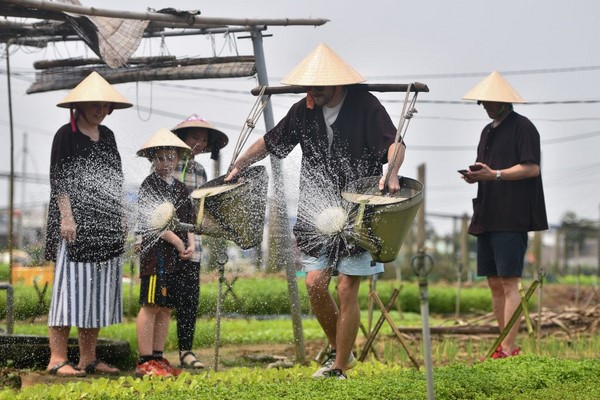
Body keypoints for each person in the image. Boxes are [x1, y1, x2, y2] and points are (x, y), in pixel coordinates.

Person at [225, 43, 405, 379]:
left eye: (319, 87)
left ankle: (338, 368)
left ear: (338, 84)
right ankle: (342, 351)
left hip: (358, 209)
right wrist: (239, 163)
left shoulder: (366, 105)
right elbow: (270, 140)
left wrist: (391, 171)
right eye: (309, 86)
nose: (313, 92)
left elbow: (395, 143)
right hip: (316, 213)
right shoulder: (303, 109)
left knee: (346, 287)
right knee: (315, 284)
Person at [45, 71, 132, 377]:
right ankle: (57, 358)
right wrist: (67, 218)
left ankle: (88, 359)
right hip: (74, 226)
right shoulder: (65, 136)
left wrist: (121, 214)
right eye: (94, 104)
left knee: (94, 293)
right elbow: (59, 180)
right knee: (67, 292)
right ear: (79, 106)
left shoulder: (107, 136)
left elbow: (115, 180)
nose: (99, 109)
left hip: (104, 225)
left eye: (104, 104)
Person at [460, 71, 548, 358]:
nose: (485, 106)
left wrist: (494, 174)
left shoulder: (524, 128)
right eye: (482, 102)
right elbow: (488, 171)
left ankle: (508, 348)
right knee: (494, 281)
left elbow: (531, 168)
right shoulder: (488, 131)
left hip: (512, 216)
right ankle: (504, 345)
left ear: (504, 102)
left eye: (489, 101)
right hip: (488, 213)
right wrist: (478, 176)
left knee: (510, 281)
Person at [134, 128, 196, 378]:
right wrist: (180, 244)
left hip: (174, 259)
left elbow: (188, 220)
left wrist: (190, 242)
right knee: (151, 305)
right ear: (152, 159)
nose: (166, 163)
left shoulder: (181, 189)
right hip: (156, 256)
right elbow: (155, 224)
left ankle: (158, 358)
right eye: (160, 158)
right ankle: (145, 361)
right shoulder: (149, 186)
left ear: (178, 159)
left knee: (166, 307)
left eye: (171, 157)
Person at [170, 114, 228, 369]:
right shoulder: (165, 164)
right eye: (194, 137)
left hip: (193, 246)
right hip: (166, 243)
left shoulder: (200, 171)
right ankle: (152, 354)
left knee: (188, 300)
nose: (199, 143)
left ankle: (186, 352)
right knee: (158, 302)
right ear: (181, 139)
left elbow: (200, 212)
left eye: (203, 140)